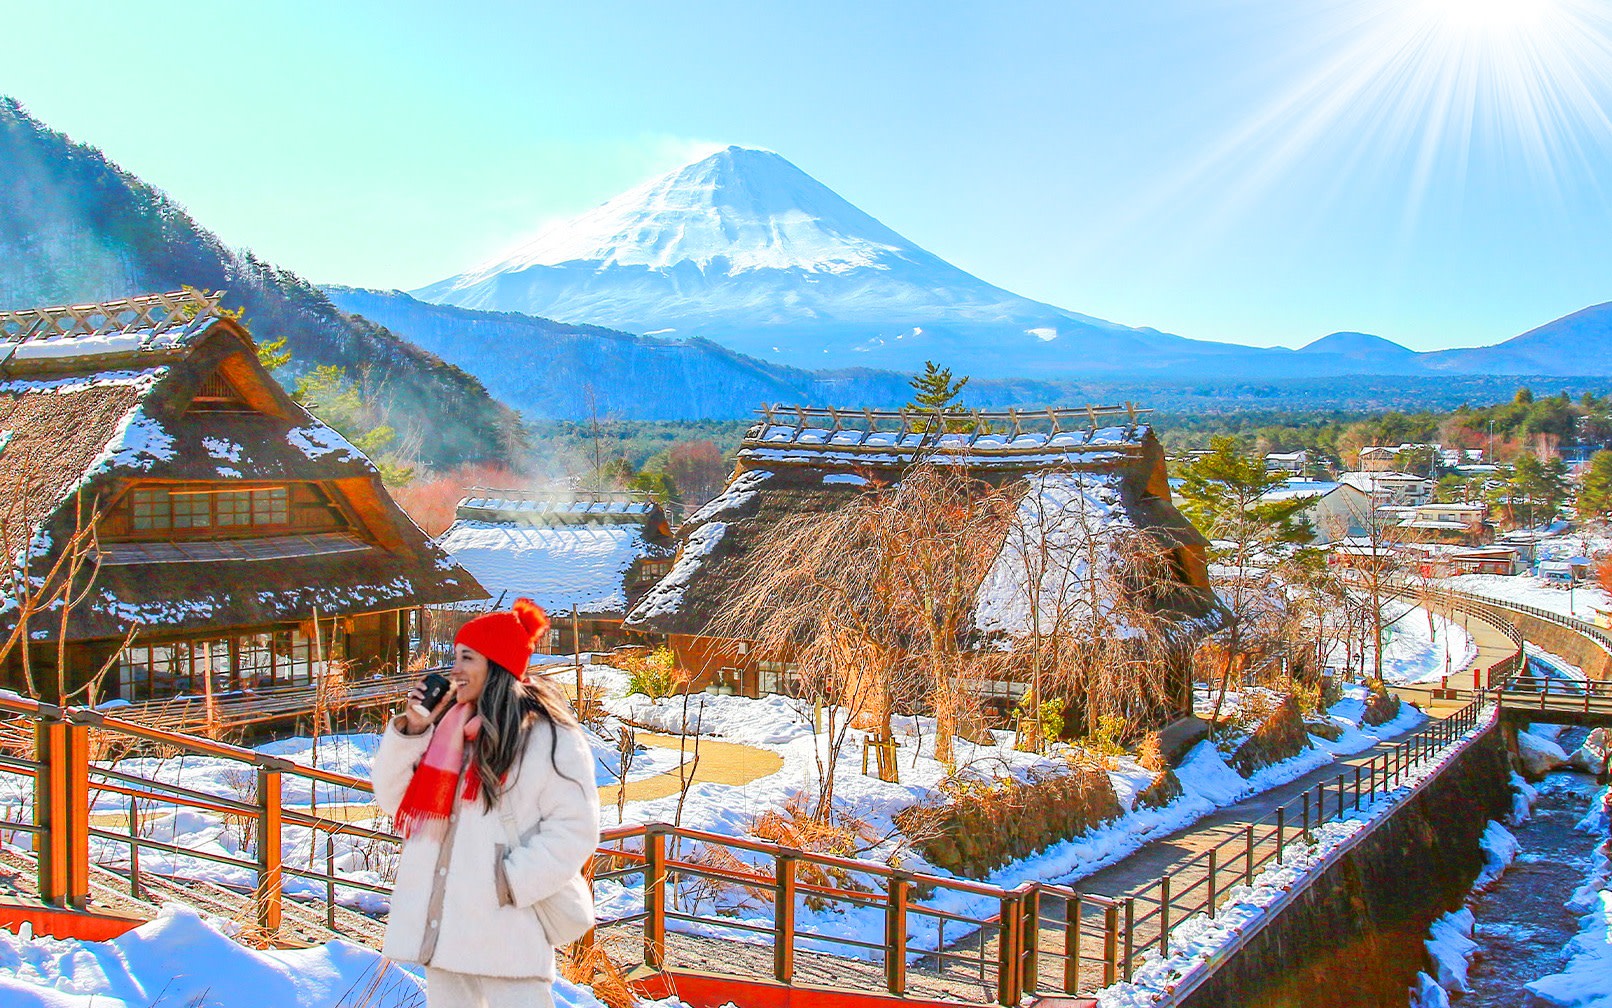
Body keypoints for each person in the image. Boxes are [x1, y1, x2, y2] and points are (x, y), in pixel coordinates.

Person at [373, 599, 600, 1008]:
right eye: (455, 656)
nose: (454, 669)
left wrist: (509, 882)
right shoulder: (446, 729)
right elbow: (393, 800)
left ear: (496, 664)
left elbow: (575, 828)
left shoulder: (548, 738)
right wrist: (413, 729)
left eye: (467, 657)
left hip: (507, 931)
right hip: (443, 932)